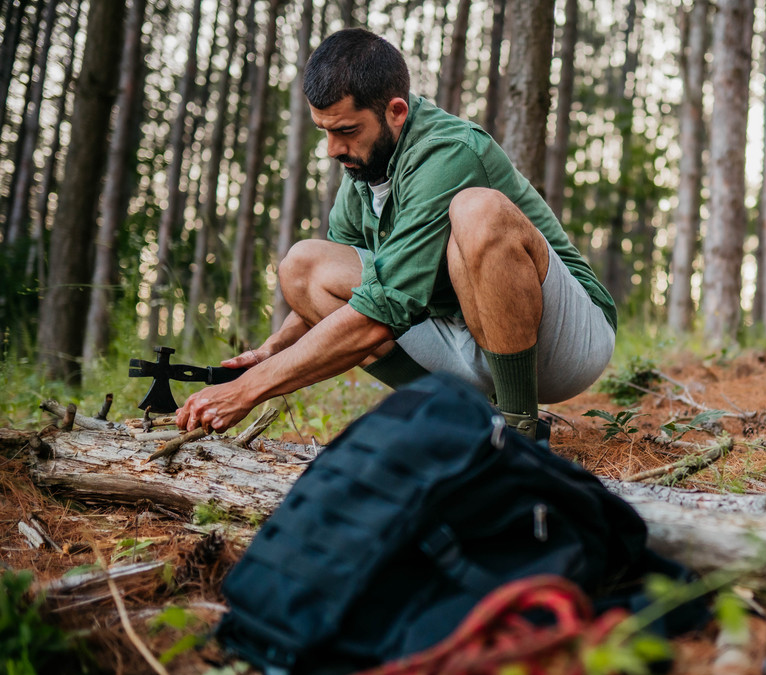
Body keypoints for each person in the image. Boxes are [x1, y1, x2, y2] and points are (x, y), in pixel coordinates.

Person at [176, 28, 616, 440]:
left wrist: (248, 390)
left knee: (476, 210)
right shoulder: (364, 169)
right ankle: (459, 415)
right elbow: (351, 294)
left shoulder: (449, 152)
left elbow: (377, 312)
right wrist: (275, 347)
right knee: (304, 267)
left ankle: (519, 434)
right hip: (461, 330)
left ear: (396, 111)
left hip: (564, 341)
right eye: (325, 132)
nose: (333, 150)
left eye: (346, 131)